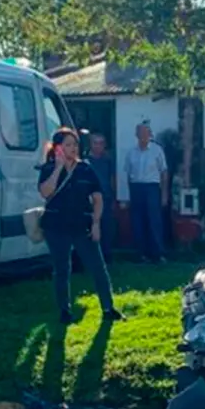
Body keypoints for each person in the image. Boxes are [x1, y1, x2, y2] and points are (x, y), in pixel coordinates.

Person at [37, 128, 123, 324]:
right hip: (56, 226)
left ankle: (108, 308)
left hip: (82, 225)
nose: (73, 148)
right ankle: (64, 311)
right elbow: (45, 192)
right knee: (62, 269)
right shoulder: (48, 168)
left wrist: (96, 223)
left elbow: (98, 198)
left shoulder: (85, 168)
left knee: (98, 267)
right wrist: (58, 168)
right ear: (58, 148)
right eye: (68, 145)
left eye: (75, 144)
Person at [123, 122, 168, 263]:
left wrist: (164, 194)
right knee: (138, 221)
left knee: (154, 221)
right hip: (136, 187)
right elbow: (128, 174)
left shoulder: (157, 150)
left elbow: (164, 172)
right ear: (136, 135)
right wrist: (127, 195)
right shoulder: (131, 152)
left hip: (152, 187)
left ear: (150, 134)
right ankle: (141, 254)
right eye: (140, 133)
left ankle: (157, 253)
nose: (143, 136)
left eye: (145, 133)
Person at [86, 133, 116, 263]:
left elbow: (112, 178)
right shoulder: (85, 161)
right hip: (89, 200)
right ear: (90, 144)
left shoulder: (108, 160)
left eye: (101, 143)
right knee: (90, 227)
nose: (98, 146)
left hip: (106, 198)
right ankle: (91, 256)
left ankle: (106, 255)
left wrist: (114, 196)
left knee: (107, 227)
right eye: (95, 143)